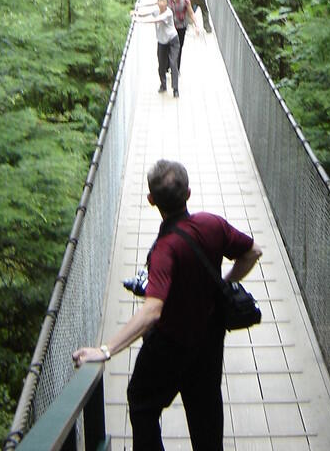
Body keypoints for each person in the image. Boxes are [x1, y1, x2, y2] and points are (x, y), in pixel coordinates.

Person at [72, 159, 262, 451]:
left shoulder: (164, 251)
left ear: (151, 200)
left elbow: (153, 310)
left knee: (141, 402)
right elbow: (252, 252)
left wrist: (105, 350)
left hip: (170, 343)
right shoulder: (212, 223)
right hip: (209, 339)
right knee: (206, 415)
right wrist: (223, 282)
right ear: (188, 193)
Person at [132, 0, 180, 97]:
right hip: (162, 41)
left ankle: (175, 89)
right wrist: (137, 14)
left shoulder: (168, 13)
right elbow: (146, 13)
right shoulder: (156, 10)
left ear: (167, 3)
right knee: (161, 65)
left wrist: (139, 21)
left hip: (172, 40)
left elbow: (156, 20)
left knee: (173, 63)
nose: (161, 4)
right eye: (159, 1)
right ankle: (163, 85)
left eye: (163, 2)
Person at [168, 0, 198, 73]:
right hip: (170, 26)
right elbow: (157, 5)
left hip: (181, 27)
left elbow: (191, 13)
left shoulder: (185, 0)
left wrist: (196, 25)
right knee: (168, 46)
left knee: (179, 47)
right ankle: (168, 65)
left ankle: (176, 68)